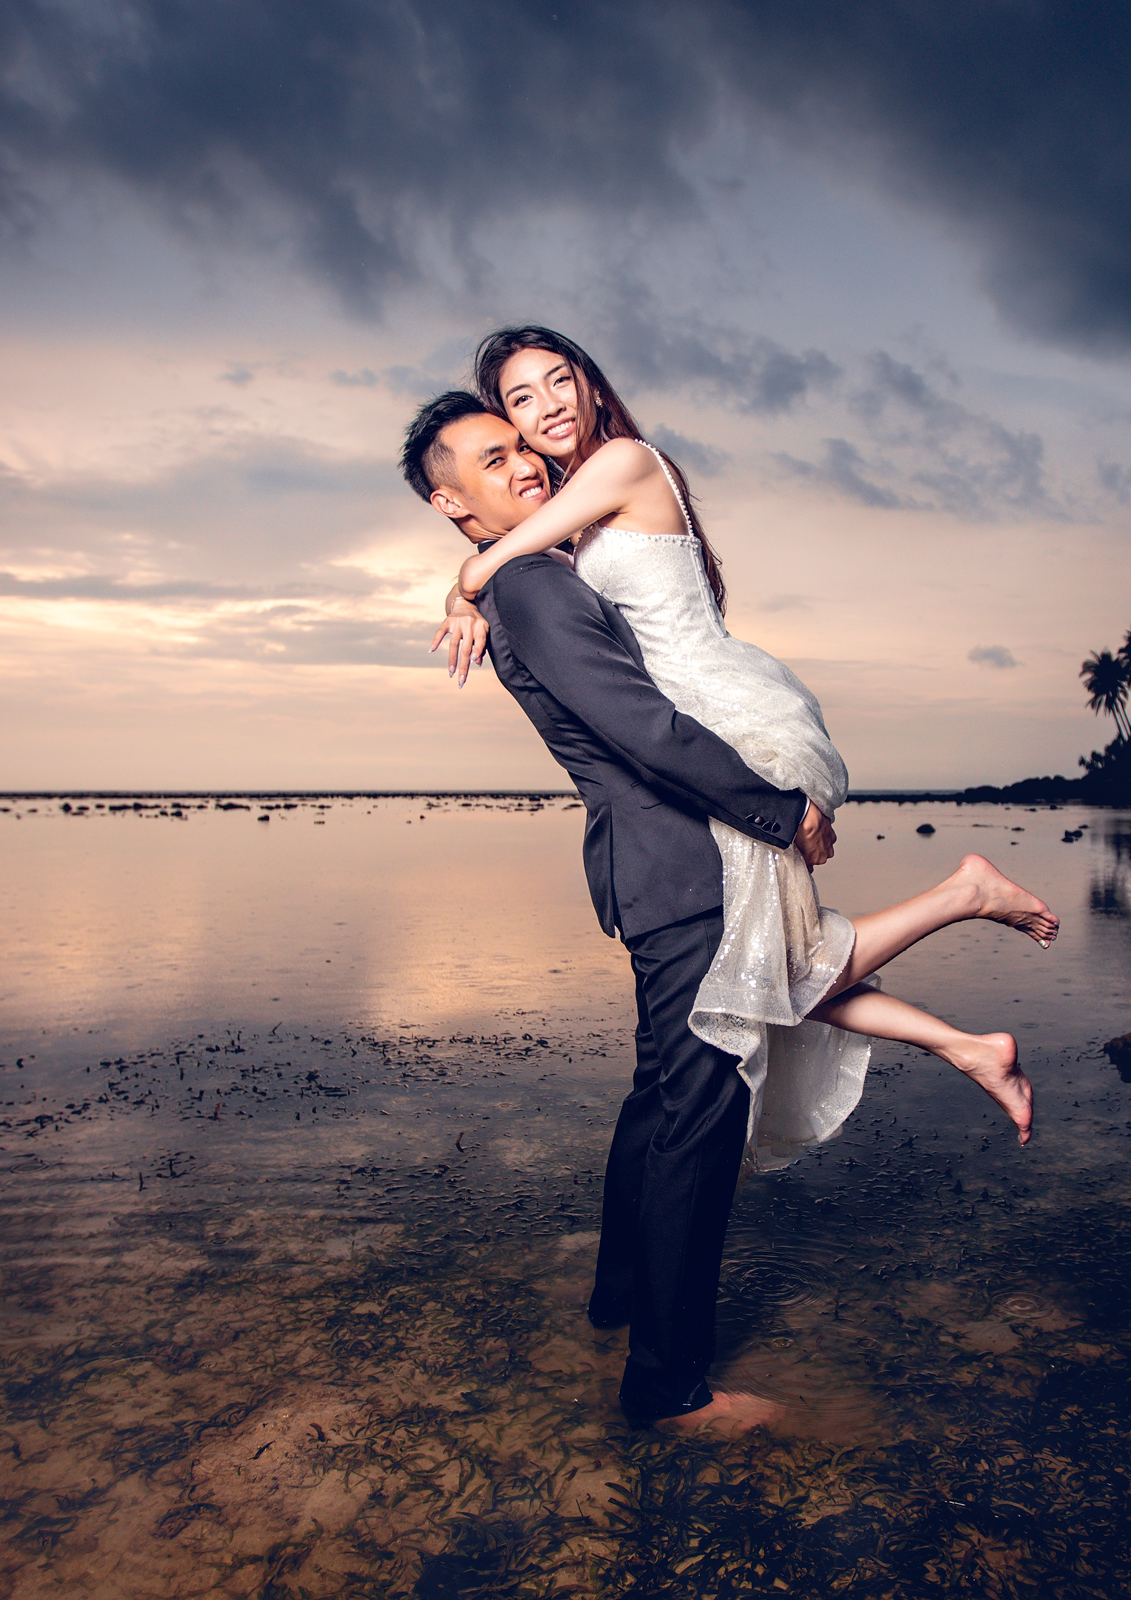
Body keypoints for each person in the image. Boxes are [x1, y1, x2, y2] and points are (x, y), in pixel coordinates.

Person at [403, 385, 1051, 1431]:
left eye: (524, 446)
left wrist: (468, 579)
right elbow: (643, 727)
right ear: (449, 501)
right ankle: (668, 1389)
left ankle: (621, 1302)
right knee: (695, 1127)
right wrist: (778, 811)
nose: (525, 463)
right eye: (492, 457)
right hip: (684, 861)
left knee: (659, 1099)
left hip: (653, 869)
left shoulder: (519, 576)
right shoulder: (532, 583)